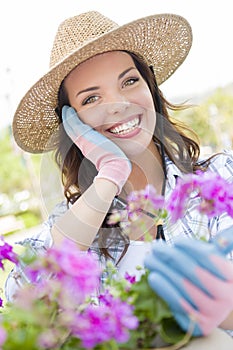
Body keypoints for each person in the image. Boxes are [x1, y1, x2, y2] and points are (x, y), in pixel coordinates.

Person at [6, 10, 233, 348]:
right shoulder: (72, 227)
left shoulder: (218, 179)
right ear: (72, 123)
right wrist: (110, 173)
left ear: (150, 87)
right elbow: (22, 300)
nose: (118, 105)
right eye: (91, 98)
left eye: (129, 81)